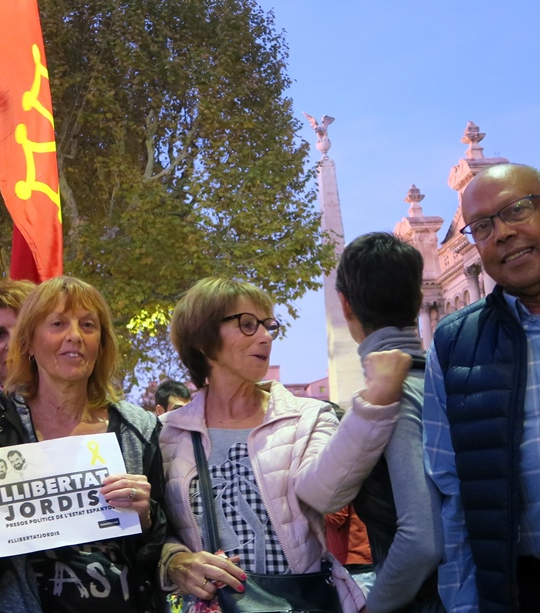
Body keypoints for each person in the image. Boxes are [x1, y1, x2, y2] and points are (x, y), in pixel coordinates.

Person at [158, 277, 412, 613]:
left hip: (302, 601)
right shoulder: (167, 434)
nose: (265, 337)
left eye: (268, 326)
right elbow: (158, 530)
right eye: (247, 325)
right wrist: (176, 560)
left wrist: (374, 406)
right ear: (204, 341)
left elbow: (326, 494)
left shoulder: (307, 416)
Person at [0, 276, 167, 612]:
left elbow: (162, 547)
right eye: (58, 324)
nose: (75, 336)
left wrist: (147, 516)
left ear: (102, 343)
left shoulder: (139, 429)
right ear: (30, 344)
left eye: (88, 325)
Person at [425, 163, 540, 613]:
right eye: (483, 226)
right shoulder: (455, 344)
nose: (504, 233)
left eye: (518, 209)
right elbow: (453, 498)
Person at [337, 232, 444, 612]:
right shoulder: (442, 377)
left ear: (345, 305)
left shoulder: (391, 397)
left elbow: (421, 541)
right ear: (418, 299)